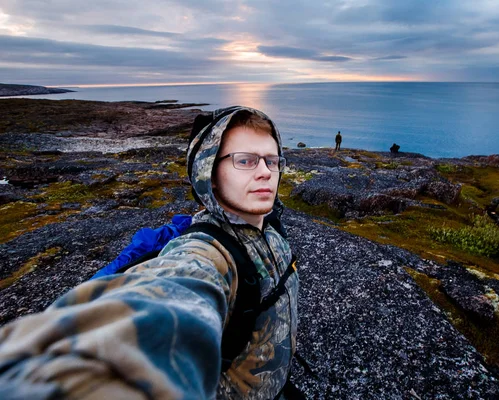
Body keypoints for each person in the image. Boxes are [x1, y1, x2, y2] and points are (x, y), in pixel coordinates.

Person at [0, 106, 299, 399]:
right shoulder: (207, 253)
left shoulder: (271, 225)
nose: (265, 173)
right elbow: (173, 293)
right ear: (210, 174)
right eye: (245, 161)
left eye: (272, 161)